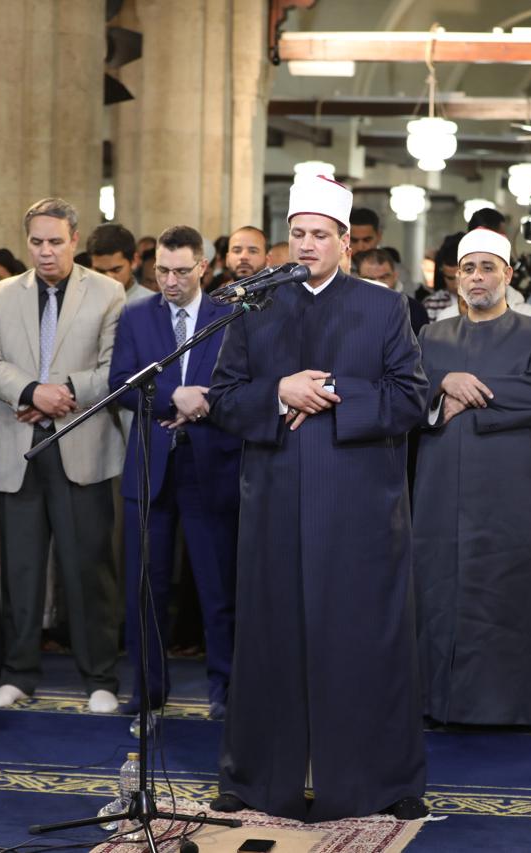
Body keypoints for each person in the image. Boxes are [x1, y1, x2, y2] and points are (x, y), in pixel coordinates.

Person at [207, 174, 428, 822]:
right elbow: (223, 398)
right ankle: (256, 780)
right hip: (275, 498)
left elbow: (410, 398)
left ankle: (381, 782)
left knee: (362, 641)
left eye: (320, 235)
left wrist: (331, 392)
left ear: (345, 243)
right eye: (297, 233)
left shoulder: (384, 307)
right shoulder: (254, 305)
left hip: (359, 505)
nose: (307, 245)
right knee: (269, 640)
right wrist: (278, 391)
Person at [0, 197, 126, 713]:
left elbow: (114, 366)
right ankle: (18, 673)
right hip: (18, 446)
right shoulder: (0, 296)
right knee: (19, 570)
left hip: (81, 443)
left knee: (88, 568)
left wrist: (60, 392)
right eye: (37, 242)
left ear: (74, 240)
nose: (45, 251)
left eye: (55, 242)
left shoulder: (107, 292)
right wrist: (30, 392)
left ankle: (99, 677)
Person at [412, 228, 531, 727]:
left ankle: (510, 708)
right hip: (440, 489)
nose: (477, 277)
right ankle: (438, 703)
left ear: (508, 274)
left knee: (505, 590)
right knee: (440, 592)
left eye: (488, 268)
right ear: (456, 278)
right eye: (468, 268)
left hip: (509, 487)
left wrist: (460, 392)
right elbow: (409, 395)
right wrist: (442, 384)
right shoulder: (431, 337)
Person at [107, 225, 240, 723]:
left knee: (217, 587)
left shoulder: (230, 314)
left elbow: (244, 382)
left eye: (181, 271)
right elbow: (120, 383)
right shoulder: (136, 315)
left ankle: (225, 689)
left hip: (212, 464)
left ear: (203, 266)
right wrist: (171, 398)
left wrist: (202, 403)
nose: (170, 281)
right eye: (161, 270)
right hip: (151, 466)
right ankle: (148, 689)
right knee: (146, 587)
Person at [355, 248, 429, 334]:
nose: (377, 284)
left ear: (395, 276)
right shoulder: (347, 309)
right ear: (357, 278)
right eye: (370, 279)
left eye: (383, 277)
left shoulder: (414, 310)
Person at [87, 222, 152, 305]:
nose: (108, 277)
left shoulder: (154, 306)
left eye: (116, 270)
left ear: (134, 261)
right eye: (100, 271)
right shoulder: (81, 303)